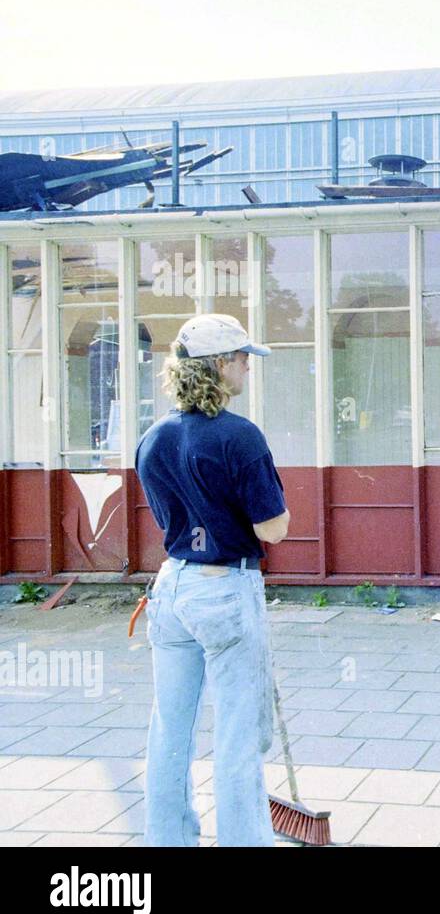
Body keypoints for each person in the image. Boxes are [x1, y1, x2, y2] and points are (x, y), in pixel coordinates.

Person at [136, 313, 290, 847]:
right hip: (226, 590)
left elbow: (169, 518)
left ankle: (167, 841)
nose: (249, 365)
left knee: (169, 732)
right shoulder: (241, 437)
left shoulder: (153, 438)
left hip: (173, 587)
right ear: (220, 365)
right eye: (243, 356)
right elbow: (272, 529)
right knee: (238, 735)